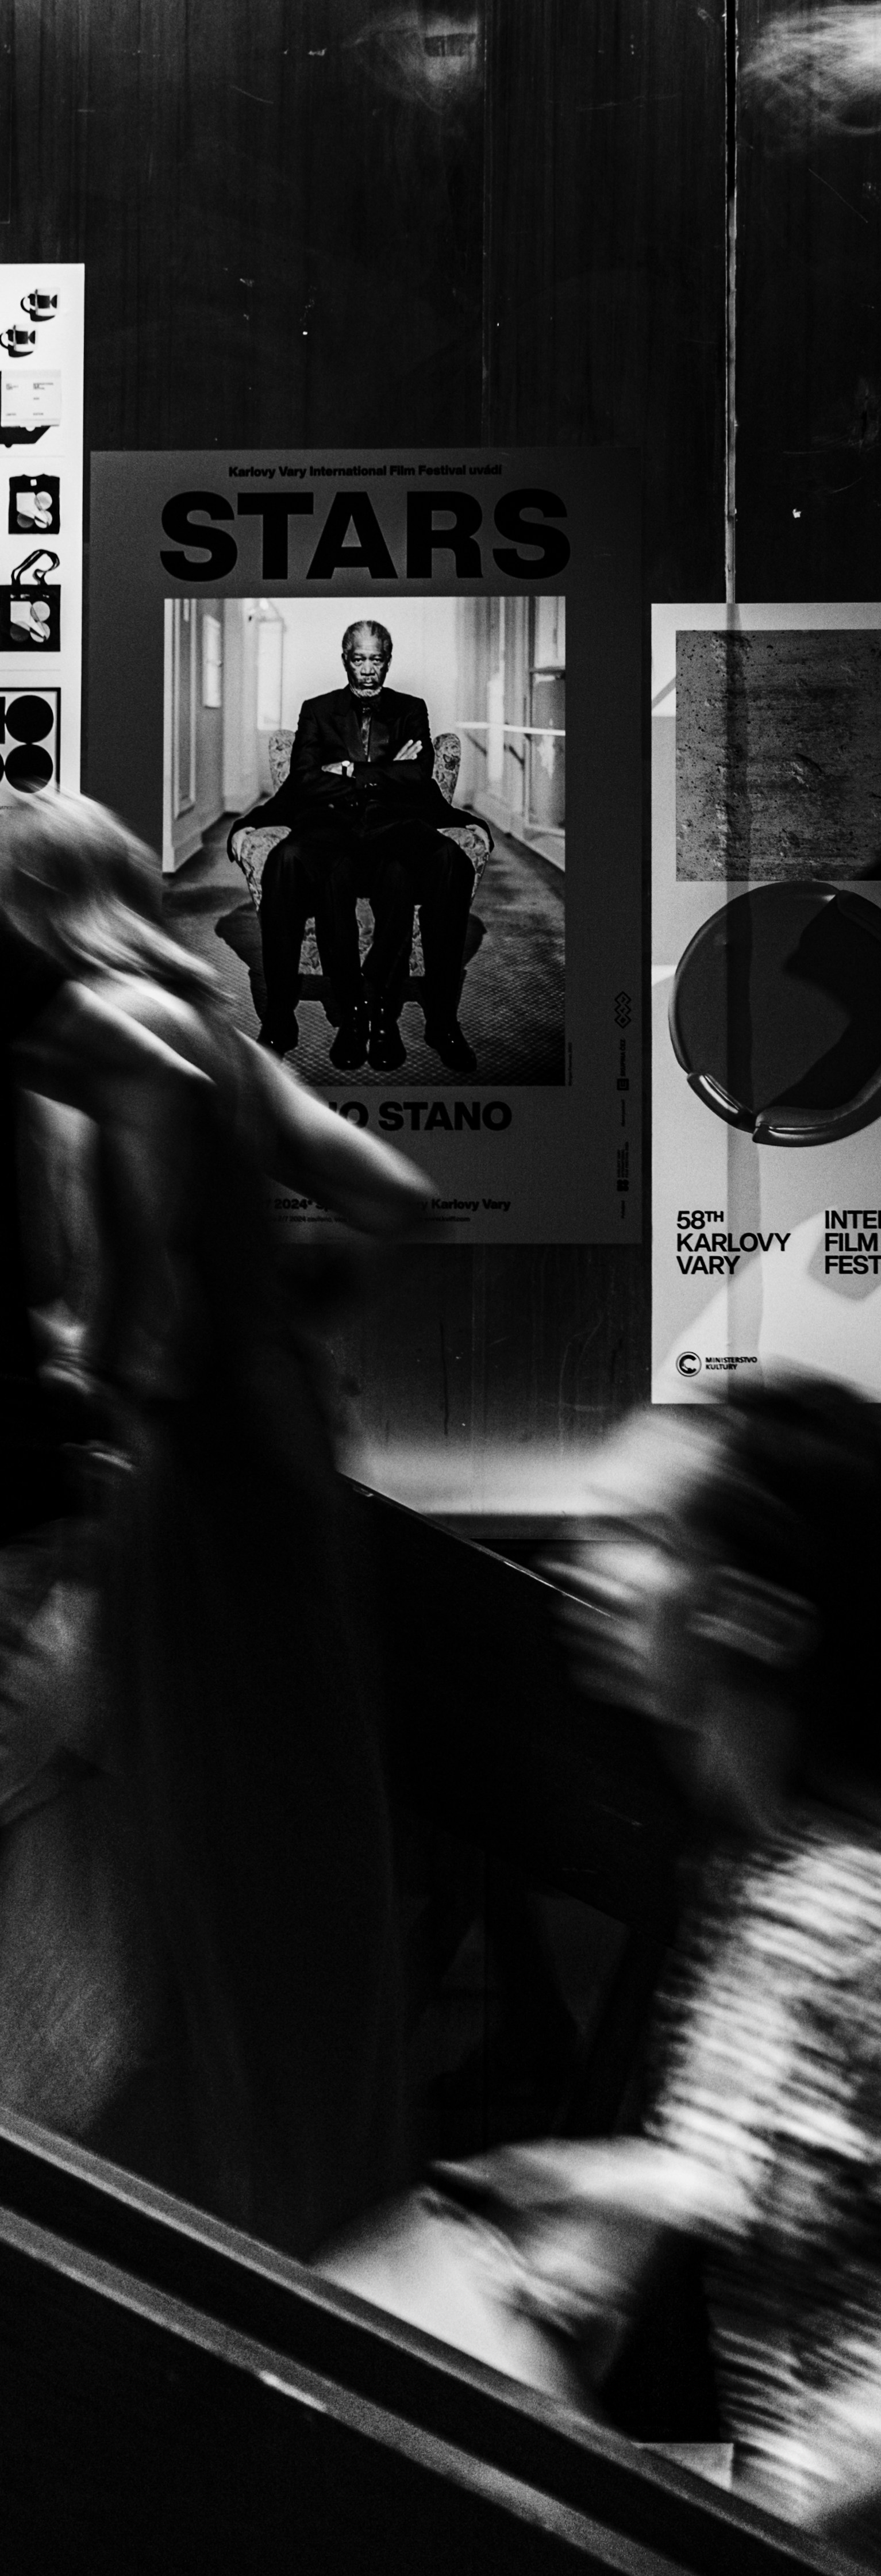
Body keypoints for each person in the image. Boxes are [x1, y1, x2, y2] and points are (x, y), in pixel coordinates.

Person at [330, 1381, 881, 2576]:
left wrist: (762, 2511)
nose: (586, 1563)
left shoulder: (860, 1912)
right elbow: (819, 2145)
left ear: (755, 1614)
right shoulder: (753, 1875)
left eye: (640, 1536)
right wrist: (626, 2191)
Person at [0, 789, 431, 2255]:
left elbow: (126, 1307)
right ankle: (314, 2185)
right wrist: (286, 1328)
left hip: (174, 1480)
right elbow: (393, 1195)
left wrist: (112, 1360)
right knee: (285, 1821)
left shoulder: (90, 1044)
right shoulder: (219, 1035)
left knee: (168, 1820)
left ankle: (163, 2210)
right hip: (285, 1461)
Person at [236, 616, 476, 1075]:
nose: (368, 669)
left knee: (451, 861)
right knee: (284, 862)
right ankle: (284, 1016)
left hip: (393, 829)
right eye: (359, 659)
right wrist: (384, 775)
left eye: (377, 659)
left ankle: (438, 1020)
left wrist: (346, 771)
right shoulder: (318, 709)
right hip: (330, 829)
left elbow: (418, 778)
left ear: (388, 663)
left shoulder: (411, 708)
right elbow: (304, 781)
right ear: (346, 659)